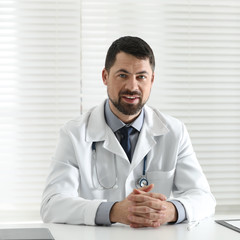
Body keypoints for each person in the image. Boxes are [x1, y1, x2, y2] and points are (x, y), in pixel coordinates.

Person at [40, 36, 216, 228]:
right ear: (105, 77)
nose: (132, 87)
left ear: (152, 80)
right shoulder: (74, 133)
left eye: (141, 76)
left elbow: (204, 198)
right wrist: (114, 211)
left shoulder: (174, 131)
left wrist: (169, 210)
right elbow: (52, 204)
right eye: (123, 75)